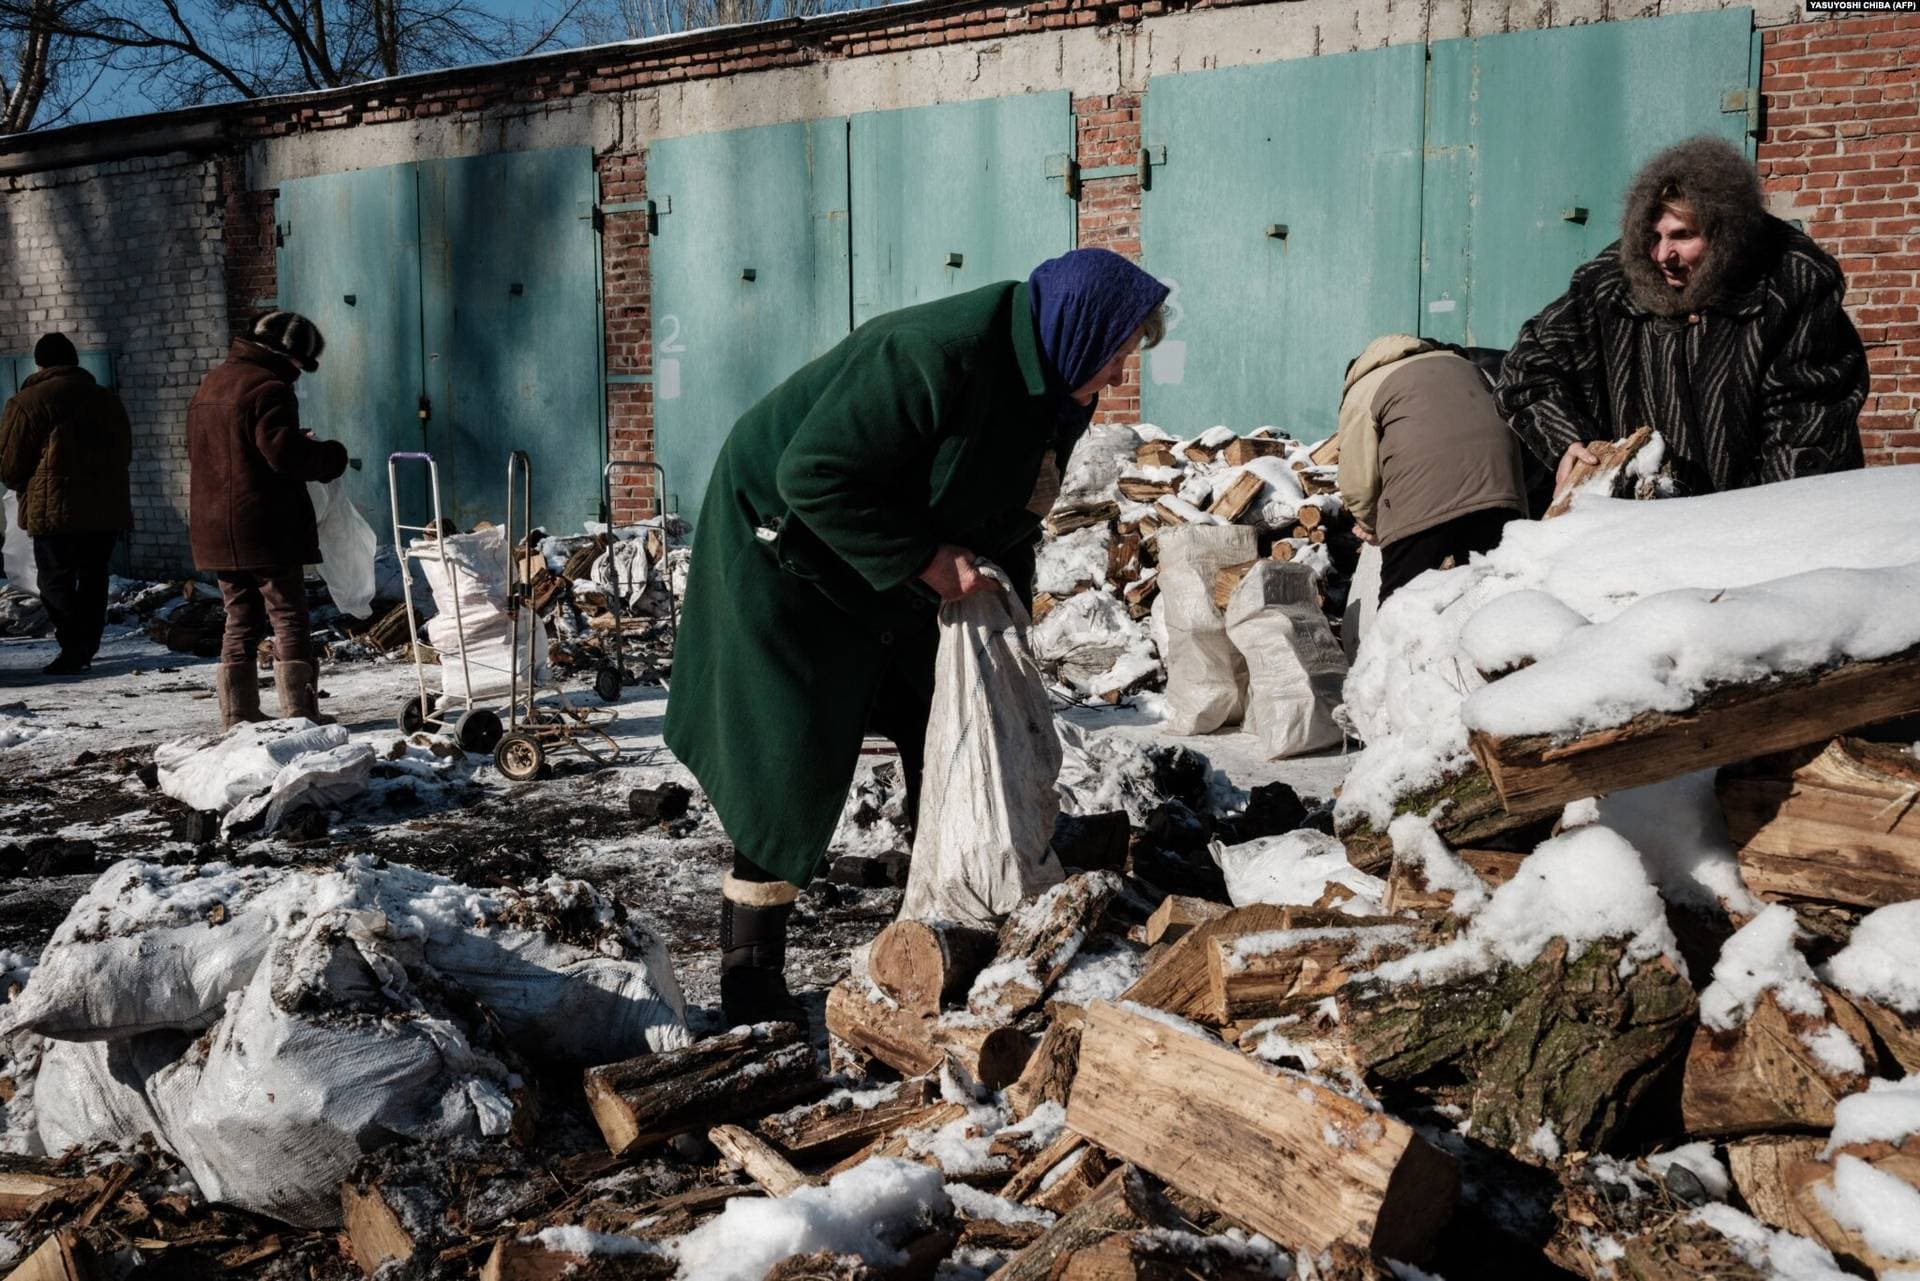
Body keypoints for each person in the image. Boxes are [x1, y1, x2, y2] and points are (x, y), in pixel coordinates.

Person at [664, 248, 1168, 1024]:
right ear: (1081, 327)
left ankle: (957, 903)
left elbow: (1019, 515)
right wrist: (928, 560)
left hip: (886, 551)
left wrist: (1008, 628)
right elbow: (814, 475)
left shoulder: (1057, 393)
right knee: (789, 752)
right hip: (784, 545)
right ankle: (749, 972)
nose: (1121, 372)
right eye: (1119, 351)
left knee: (943, 708)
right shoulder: (936, 354)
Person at [1498, 135, 1867, 498]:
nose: (1662, 255)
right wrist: (1567, 440)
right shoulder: (1613, 282)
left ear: (1726, 233)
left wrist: (1766, 528)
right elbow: (1529, 366)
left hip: (1750, 522)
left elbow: (1807, 424)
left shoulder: (1791, 283)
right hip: (1637, 519)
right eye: (1653, 236)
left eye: (1682, 235)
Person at [186, 311, 349, 729]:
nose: (298, 373)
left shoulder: (212, 383)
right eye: (299, 364)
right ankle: (300, 712)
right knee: (288, 613)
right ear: (285, 354)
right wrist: (330, 455)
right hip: (263, 525)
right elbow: (283, 456)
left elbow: (229, 449)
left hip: (214, 527)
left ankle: (238, 714)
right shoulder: (270, 388)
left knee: (239, 617)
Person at [1335, 335, 1528, 604]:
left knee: (1400, 607)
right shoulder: (1462, 364)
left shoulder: (1362, 388)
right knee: (1493, 596)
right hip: (1497, 485)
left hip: (1420, 495)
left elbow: (1359, 478)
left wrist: (1371, 524)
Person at [0, 333, 133, 676]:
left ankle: (74, 646)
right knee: (93, 579)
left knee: (54, 582)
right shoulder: (106, 399)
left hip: (54, 511)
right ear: (75, 361)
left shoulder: (27, 402)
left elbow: (11, 465)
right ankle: (84, 645)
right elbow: (124, 454)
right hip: (105, 508)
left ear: (40, 363)